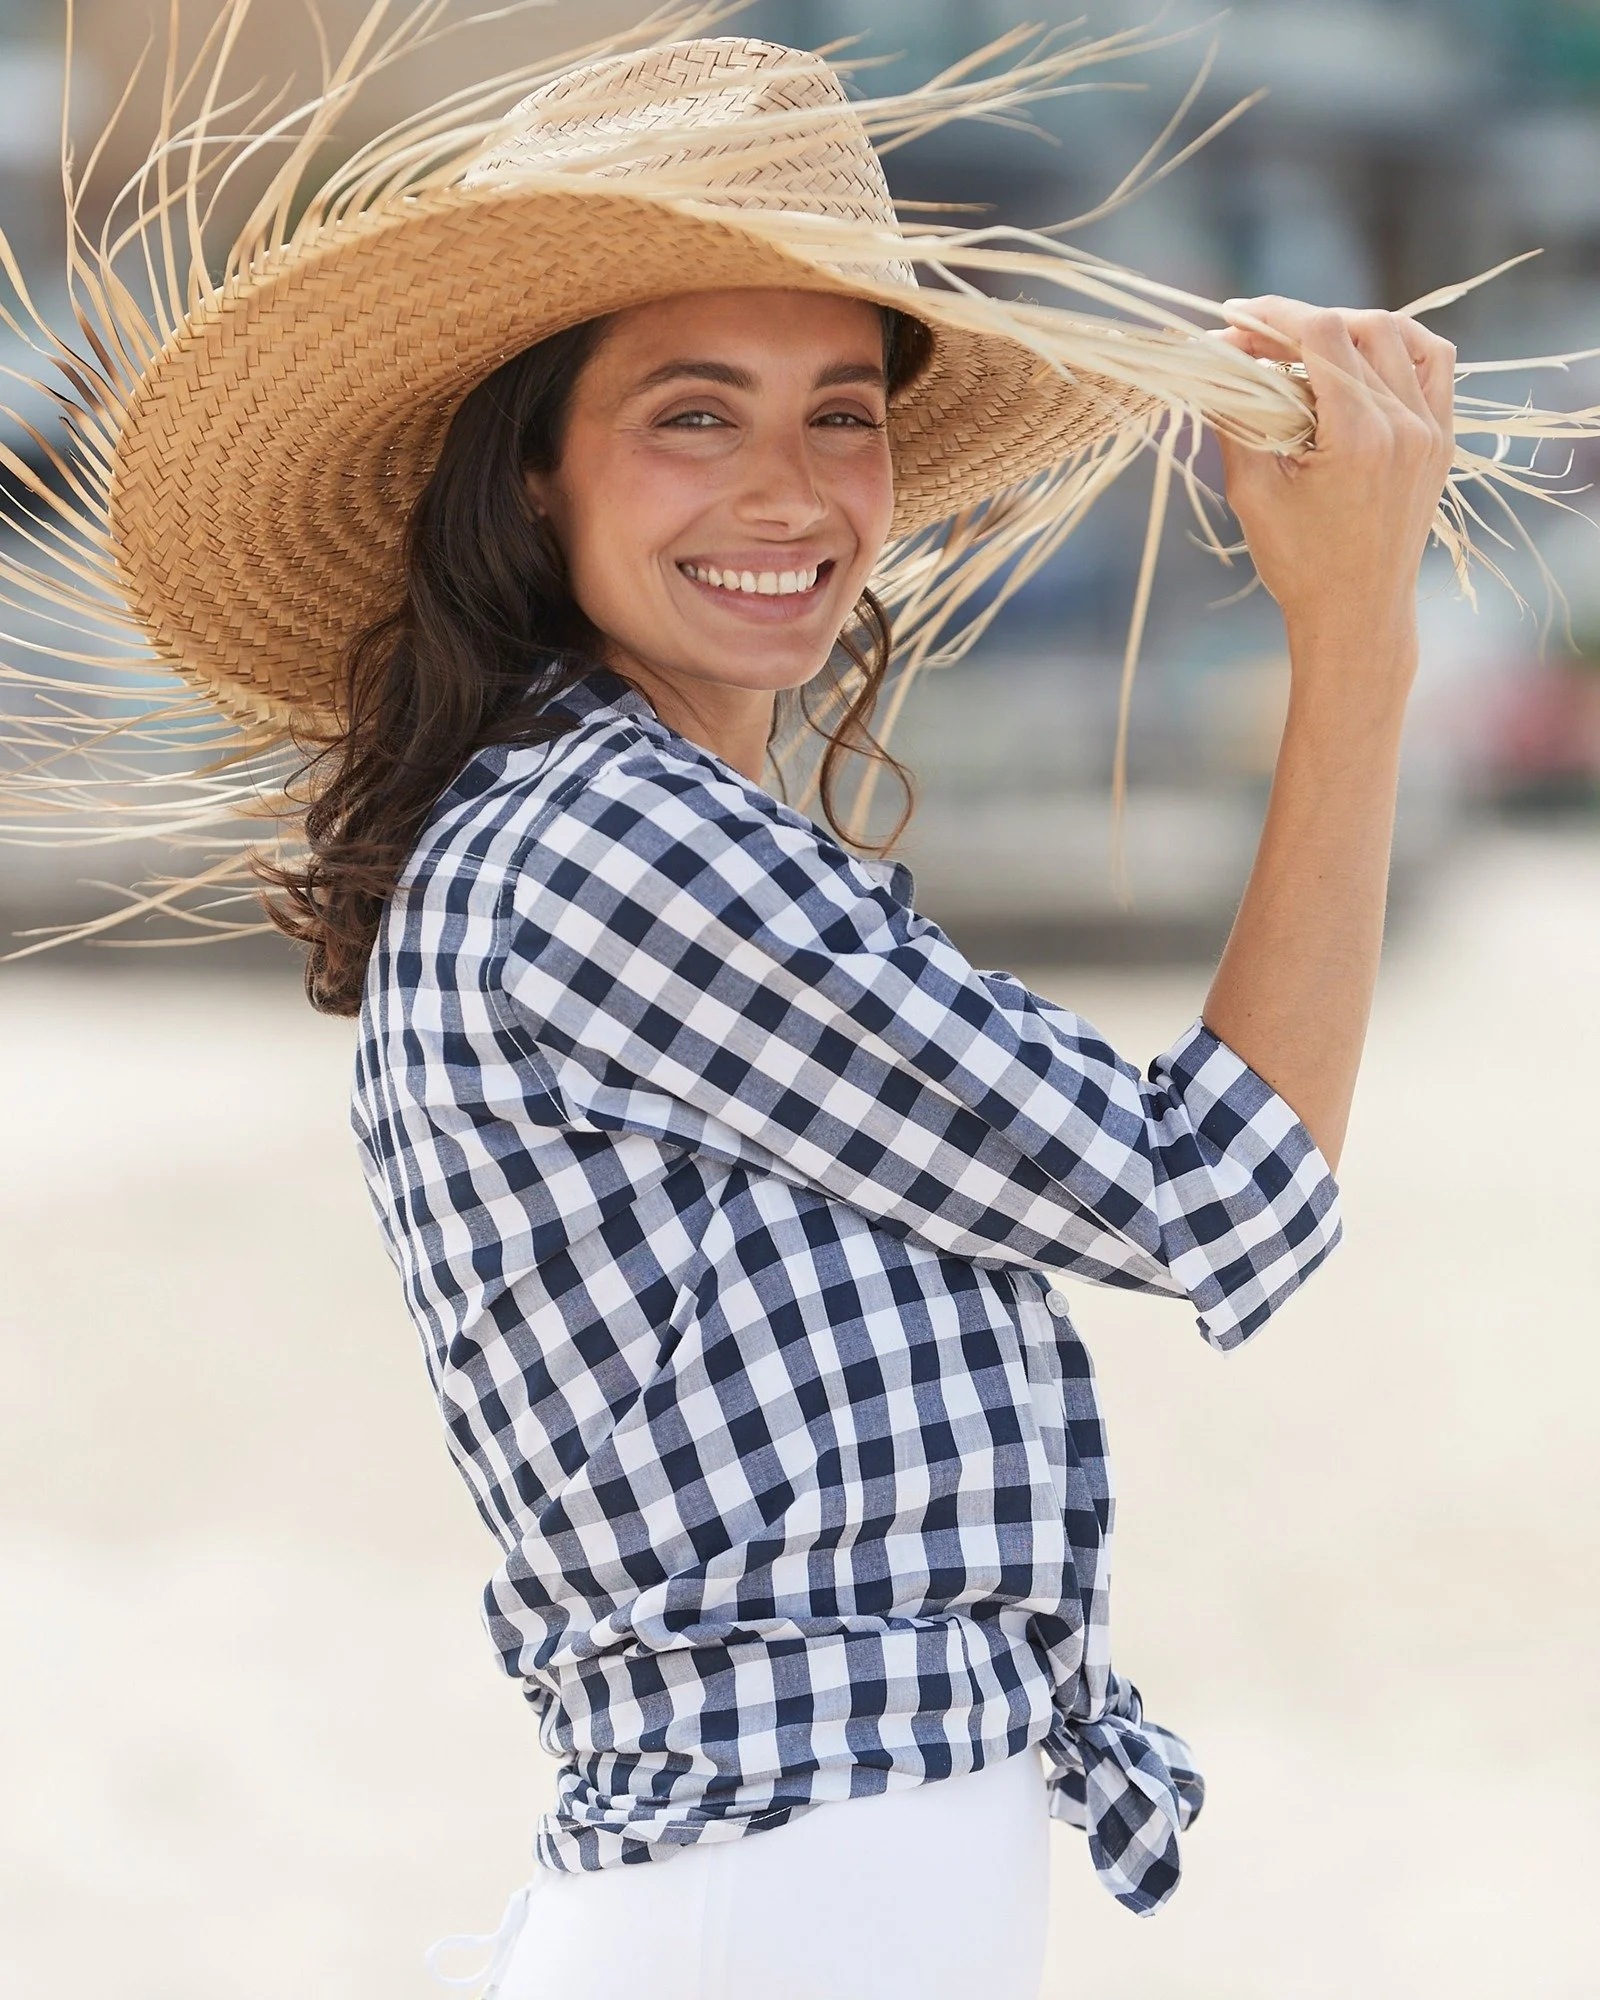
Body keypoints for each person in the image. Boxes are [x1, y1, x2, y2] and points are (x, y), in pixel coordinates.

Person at [4, 16, 1565, 2000]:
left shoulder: (625, 830)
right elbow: (1210, 1190)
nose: (789, 484)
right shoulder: (613, 843)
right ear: (530, 472)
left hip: (782, 1899)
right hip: (782, 1908)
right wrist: (1355, 626)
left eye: (839, 410)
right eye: (690, 412)